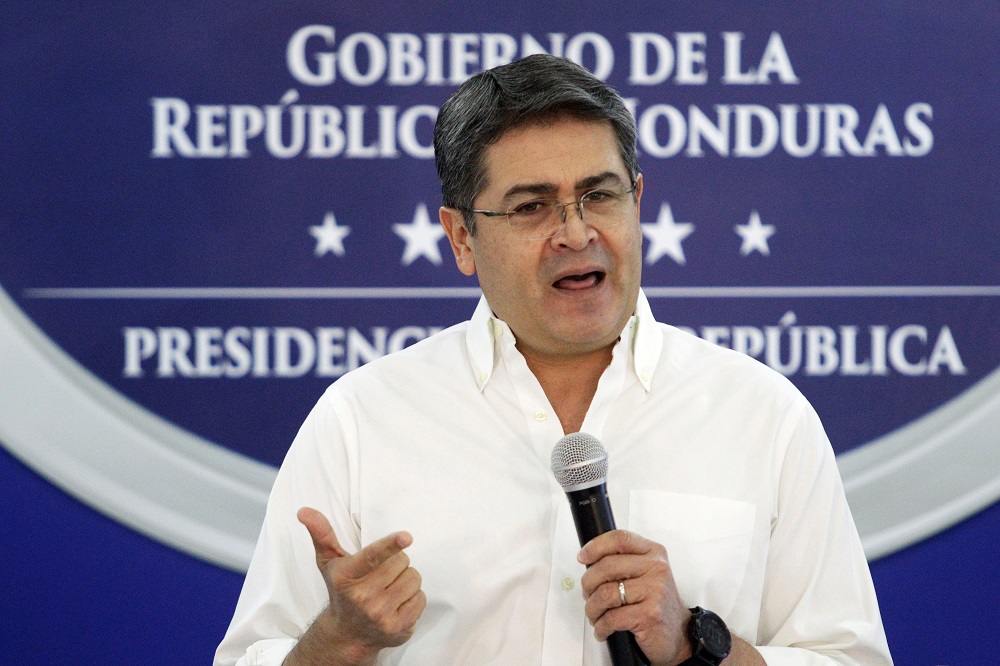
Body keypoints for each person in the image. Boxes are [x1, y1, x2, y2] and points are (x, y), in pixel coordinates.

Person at [215, 54, 892, 666]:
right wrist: (340, 641)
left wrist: (698, 644)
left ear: (638, 202)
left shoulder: (763, 415)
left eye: (599, 196)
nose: (575, 233)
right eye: (532, 206)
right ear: (461, 238)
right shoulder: (362, 420)